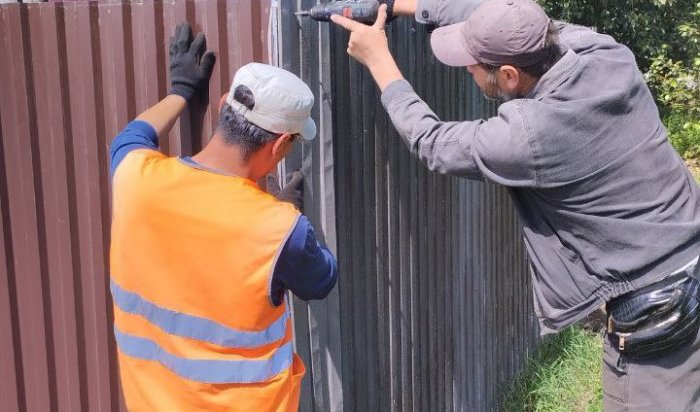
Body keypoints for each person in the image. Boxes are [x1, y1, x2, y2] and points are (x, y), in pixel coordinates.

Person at [331, 1, 700, 410]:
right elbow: (496, 14)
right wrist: (394, 5)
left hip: (661, 314)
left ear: (508, 76)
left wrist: (379, 60)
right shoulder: (603, 53)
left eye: (470, 64)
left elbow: (432, 143)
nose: (465, 69)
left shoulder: (530, 135)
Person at [109, 23, 337, 411]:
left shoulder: (135, 177)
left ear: (222, 104)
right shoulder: (281, 230)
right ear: (282, 143)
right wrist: (286, 217)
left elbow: (130, 137)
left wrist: (180, 91)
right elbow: (321, 279)